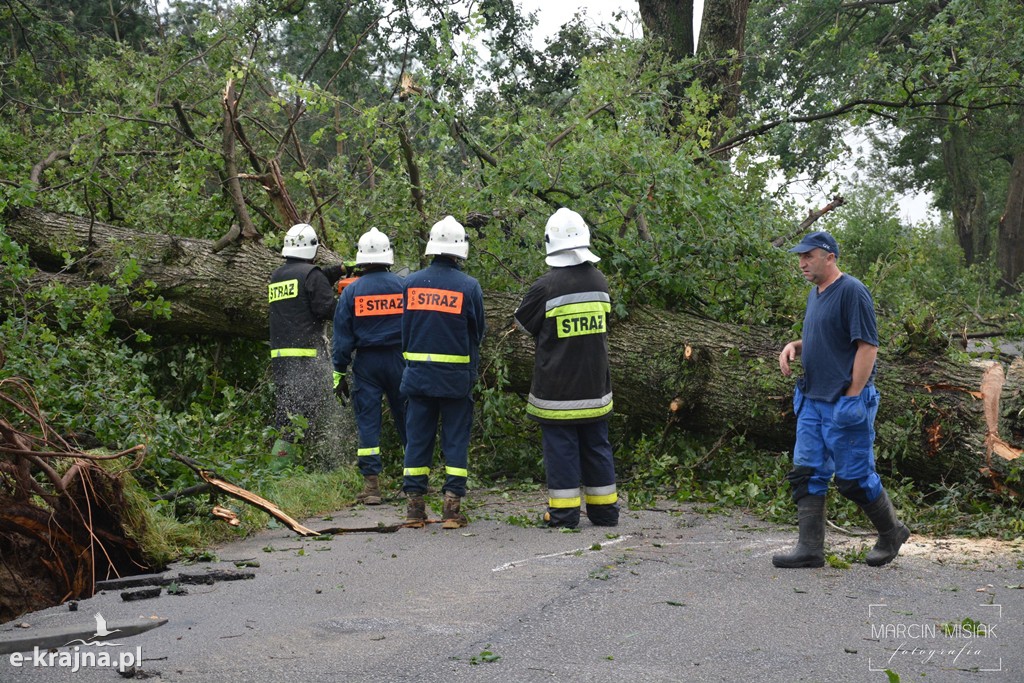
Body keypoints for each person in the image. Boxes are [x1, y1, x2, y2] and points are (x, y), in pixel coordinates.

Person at [774, 230, 910, 568]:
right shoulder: (815, 293)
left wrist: (853, 395)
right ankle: (809, 549)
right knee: (807, 472)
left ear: (830, 257)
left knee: (853, 478)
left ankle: (892, 532)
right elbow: (826, 337)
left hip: (843, 401)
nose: (802, 262)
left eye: (809, 256)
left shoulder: (852, 291)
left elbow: (868, 346)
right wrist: (796, 346)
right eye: (800, 257)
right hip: (812, 399)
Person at [513, 208, 618, 528]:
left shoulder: (545, 287)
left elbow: (521, 325)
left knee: (562, 452)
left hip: (557, 390)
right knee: (597, 448)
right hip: (595, 387)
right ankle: (604, 512)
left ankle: (564, 514)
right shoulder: (600, 281)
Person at [400, 216, 485, 529]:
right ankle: (452, 507)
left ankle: (414, 509)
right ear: (460, 249)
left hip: (418, 378)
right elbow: (478, 332)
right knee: (455, 441)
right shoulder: (469, 287)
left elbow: (404, 329)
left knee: (417, 441)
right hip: (455, 380)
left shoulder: (409, 284)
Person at [331, 228, 408, 505]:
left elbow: (341, 341)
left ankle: (372, 485)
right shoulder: (404, 286)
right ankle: (415, 483)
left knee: (368, 423)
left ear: (361, 257)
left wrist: (339, 373)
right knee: (409, 419)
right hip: (401, 360)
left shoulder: (351, 293)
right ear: (388, 255)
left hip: (367, 363)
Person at [267, 223, 343, 468]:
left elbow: (308, 283)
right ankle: (280, 470)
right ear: (312, 248)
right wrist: (347, 303)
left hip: (281, 356)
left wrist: (340, 270)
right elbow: (325, 308)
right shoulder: (312, 275)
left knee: (287, 410)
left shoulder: (277, 275)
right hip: (306, 357)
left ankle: (282, 466)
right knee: (300, 414)